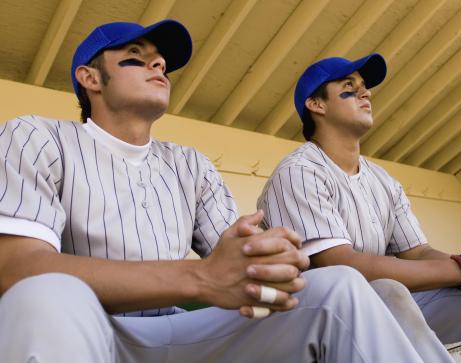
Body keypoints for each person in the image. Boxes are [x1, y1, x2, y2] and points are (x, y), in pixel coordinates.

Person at [0, 21, 430, 363]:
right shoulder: (37, 136)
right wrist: (202, 277)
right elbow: (17, 269)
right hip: (90, 330)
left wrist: (268, 262)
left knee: (338, 284)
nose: (158, 67)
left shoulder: (191, 163)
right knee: (44, 292)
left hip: (185, 333)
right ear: (89, 77)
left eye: (161, 64)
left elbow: (236, 264)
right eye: (136, 58)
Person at [257, 54, 461, 363]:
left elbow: (418, 252)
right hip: (303, 325)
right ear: (317, 104)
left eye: (364, 87)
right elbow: (341, 265)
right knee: (388, 292)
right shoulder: (299, 170)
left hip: (375, 314)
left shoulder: (383, 180)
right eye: (349, 86)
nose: (365, 93)